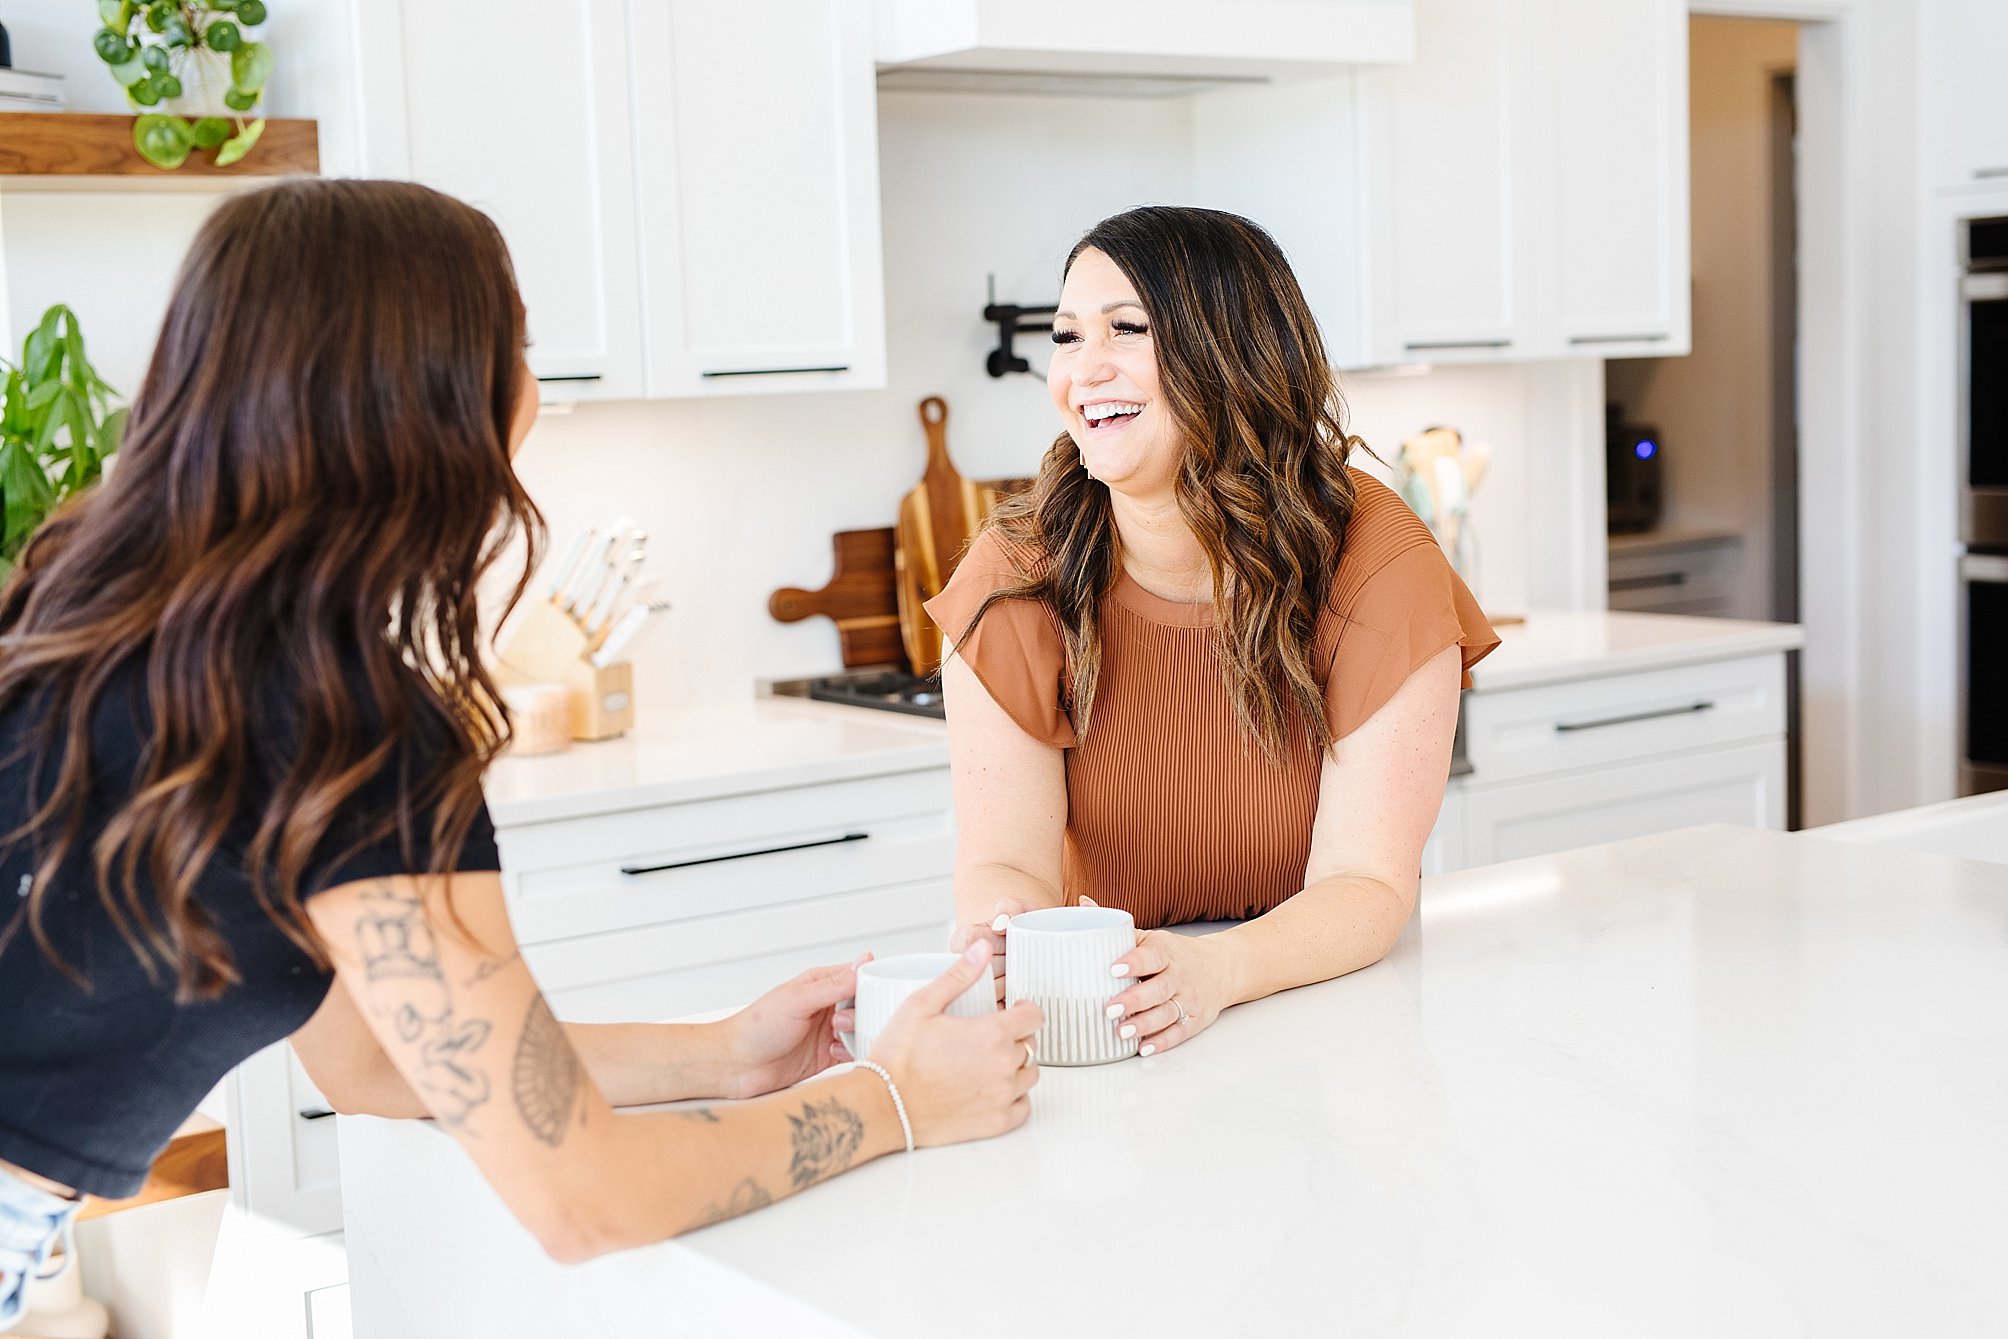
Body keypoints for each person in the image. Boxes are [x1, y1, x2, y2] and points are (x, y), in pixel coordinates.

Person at [0, 178, 1041, 1318]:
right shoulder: (346, 726)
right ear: (437, 403)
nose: (534, 389)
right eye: (520, 350)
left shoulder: (82, 611)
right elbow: (583, 1196)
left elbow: (376, 1065)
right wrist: (895, 1103)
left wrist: (726, 1055)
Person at [931, 206, 1498, 1059]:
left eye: (1128, 328)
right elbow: (1004, 860)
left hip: (1332, 1014)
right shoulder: (1016, 571)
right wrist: (1004, 927)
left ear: (1234, 351)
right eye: (1067, 335)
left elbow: (1368, 882)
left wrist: (1214, 971)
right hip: (1125, 1021)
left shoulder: (1376, 561)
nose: (1086, 370)